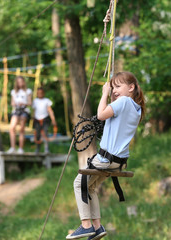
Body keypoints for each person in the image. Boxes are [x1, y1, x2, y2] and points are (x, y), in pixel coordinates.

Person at [66, 72, 145, 240]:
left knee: (79, 184)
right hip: (119, 162)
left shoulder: (123, 101)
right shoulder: (136, 108)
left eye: (118, 86)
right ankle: (97, 227)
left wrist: (104, 94)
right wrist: (110, 97)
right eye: (112, 87)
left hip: (105, 159)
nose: (113, 90)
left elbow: (101, 115)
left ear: (131, 87)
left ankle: (86, 225)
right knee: (91, 187)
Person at [7, 76, 32, 154]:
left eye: (21, 81)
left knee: (21, 129)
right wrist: (14, 103)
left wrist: (23, 103)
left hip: (24, 110)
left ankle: (21, 148)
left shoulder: (28, 91)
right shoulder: (14, 91)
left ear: (24, 82)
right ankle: (13, 147)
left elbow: (30, 102)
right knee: (12, 128)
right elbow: (12, 102)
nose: (20, 83)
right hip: (16, 110)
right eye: (18, 82)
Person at [32, 87, 57, 153]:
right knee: (37, 134)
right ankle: (37, 148)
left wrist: (53, 120)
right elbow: (34, 111)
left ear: (43, 93)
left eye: (41, 93)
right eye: (38, 93)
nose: (40, 94)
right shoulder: (35, 101)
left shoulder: (46, 101)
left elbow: (50, 110)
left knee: (45, 132)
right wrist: (33, 118)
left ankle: (46, 148)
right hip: (37, 119)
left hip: (45, 119)